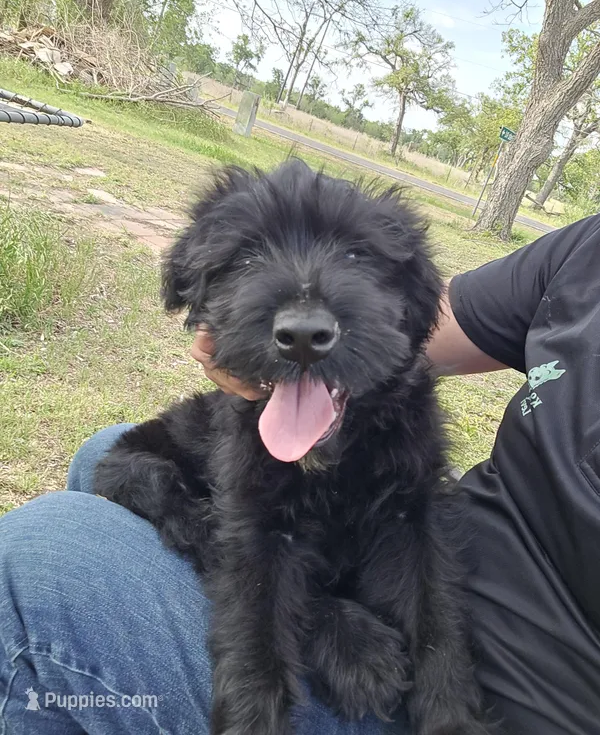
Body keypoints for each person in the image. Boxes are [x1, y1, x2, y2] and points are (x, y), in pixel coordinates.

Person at [1, 214, 599, 734]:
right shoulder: (586, 248)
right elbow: (427, 320)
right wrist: (260, 336)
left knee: (40, 553)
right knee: (110, 460)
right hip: (417, 560)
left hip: (500, 687)